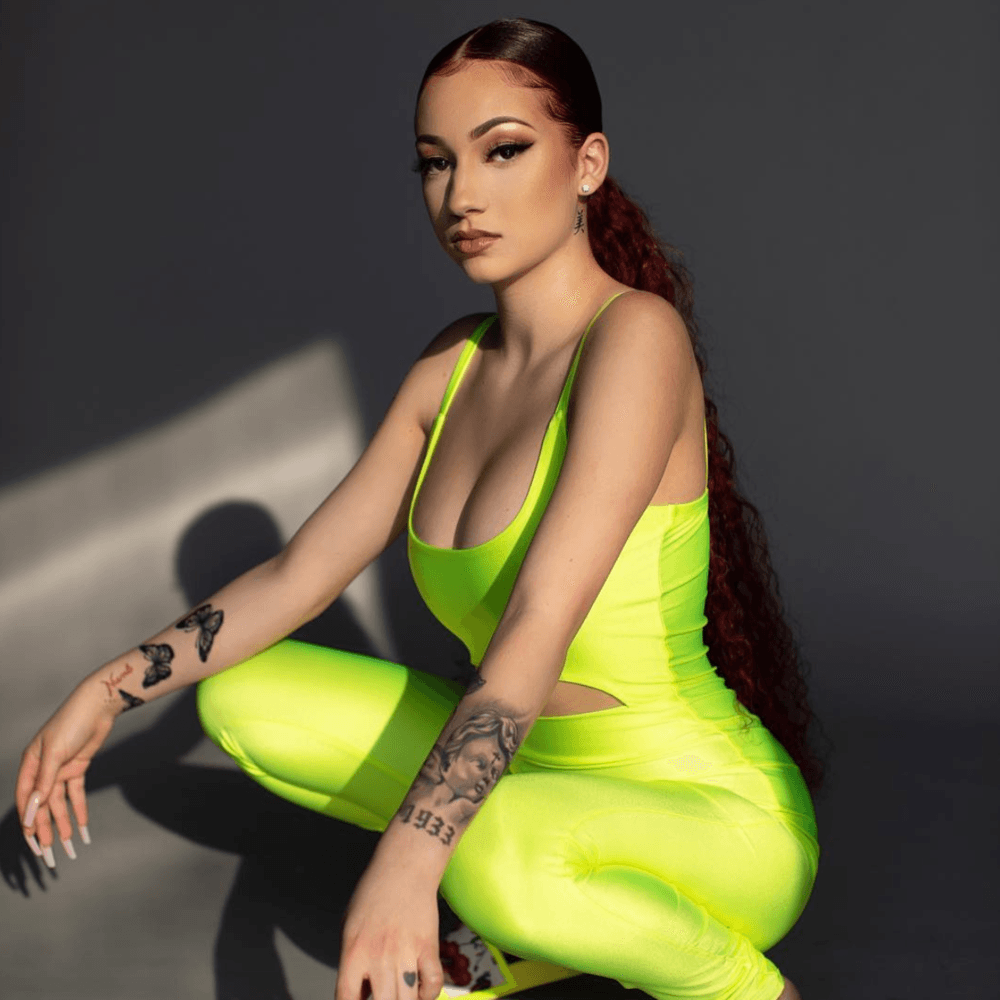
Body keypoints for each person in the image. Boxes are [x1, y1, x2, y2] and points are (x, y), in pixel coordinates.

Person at [15, 17, 828, 1000]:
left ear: (587, 164)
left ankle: (743, 986)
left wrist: (406, 864)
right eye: (436, 163)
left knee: (486, 854)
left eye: (503, 151)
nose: (462, 195)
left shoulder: (635, 340)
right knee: (239, 697)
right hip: (528, 777)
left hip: (711, 818)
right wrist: (109, 690)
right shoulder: (450, 366)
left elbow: (537, 624)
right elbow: (300, 575)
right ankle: (515, 941)